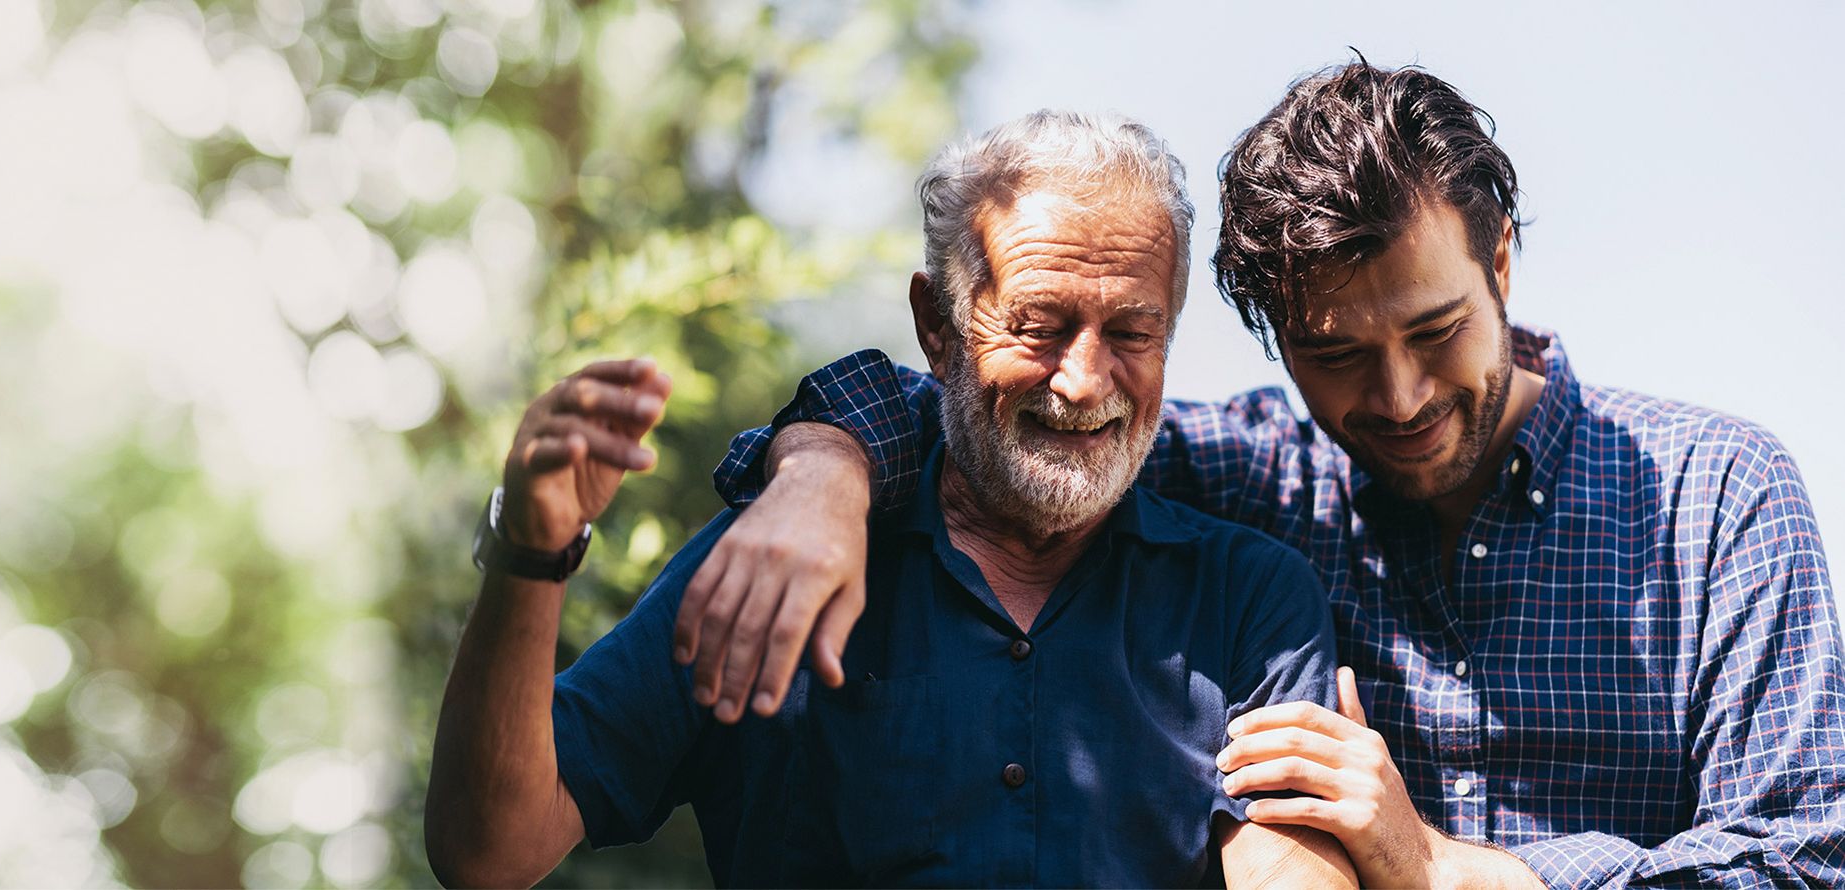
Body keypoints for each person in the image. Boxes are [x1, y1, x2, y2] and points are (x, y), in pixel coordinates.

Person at [685, 59, 1845, 888]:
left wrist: (1442, 868)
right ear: (1273, 336)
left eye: (1436, 330)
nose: (1395, 398)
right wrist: (820, 472)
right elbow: (985, 407)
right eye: (1336, 355)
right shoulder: (1249, 480)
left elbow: (1803, 857)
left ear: (1502, 258)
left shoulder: (1719, 497)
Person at [426, 110, 1360, 888]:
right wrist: (531, 550)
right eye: (1038, 326)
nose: (1083, 380)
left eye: (1132, 331)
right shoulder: (773, 558)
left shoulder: (1250, 598)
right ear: (936, 325)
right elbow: (489, 849)